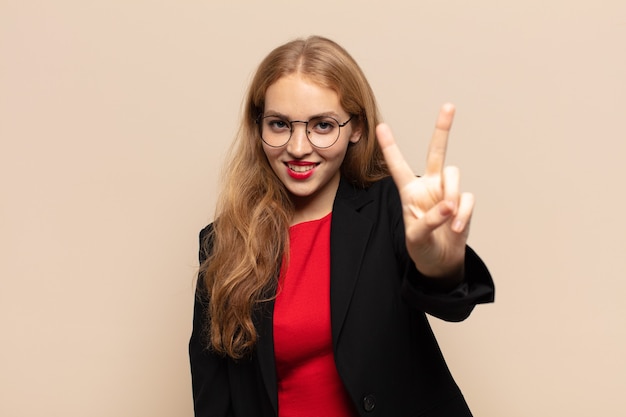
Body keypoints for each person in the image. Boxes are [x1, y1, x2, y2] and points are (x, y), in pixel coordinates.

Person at [189, 35, 494, 417]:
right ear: (258, 127)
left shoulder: (394, 207)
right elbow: (214, 397)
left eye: (322, 125)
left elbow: (455, 307)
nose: (298, 147)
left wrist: (441, 265)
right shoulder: (222, 242)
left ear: (357, 128)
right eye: (280, 124)